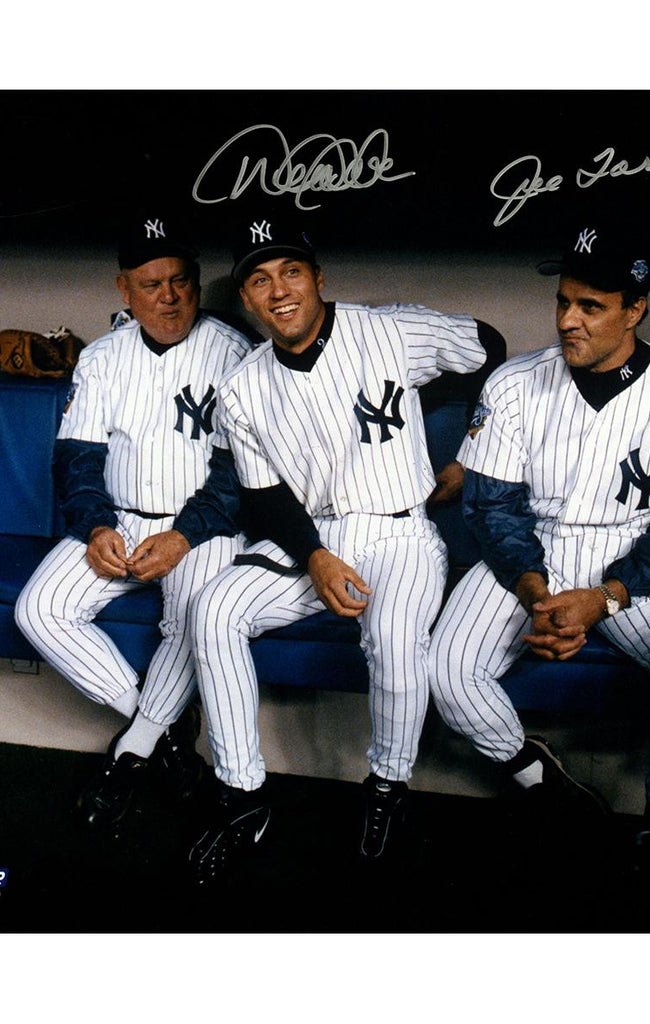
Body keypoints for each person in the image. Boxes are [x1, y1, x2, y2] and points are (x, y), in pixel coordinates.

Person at [186, 215, 505, 883]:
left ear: (319, 279)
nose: (278, 291)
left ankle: (388, 786)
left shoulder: (390, 331)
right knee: (213, 611)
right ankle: (243, 794)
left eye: (291, 271)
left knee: (394, 639)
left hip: (400, 531)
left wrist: (473, 454)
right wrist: (316, 557)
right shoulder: (242, 387)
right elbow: (265, 497)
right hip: (309, 535)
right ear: (245, 299)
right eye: (260, 279)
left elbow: (491, 347)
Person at [427, 219, 650, 850]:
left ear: (634, 310)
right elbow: (491, 508)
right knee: (449, 671)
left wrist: (605, 597)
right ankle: (537, 777)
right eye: (564, 302)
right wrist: (533, 590)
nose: (569, 319)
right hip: (527, 551)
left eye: (591, 306)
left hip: (637, 554)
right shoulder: (514, 383)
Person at [15, 211, 255, 830]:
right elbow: (76, 459)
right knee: (40, 610)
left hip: (200, 527)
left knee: (195, 620)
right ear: (124, 290)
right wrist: (96, 527)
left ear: (197, 283)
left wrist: (183, 535)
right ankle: (166, 734)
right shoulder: (102, 357)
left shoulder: (234, 353)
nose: (169, 296)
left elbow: (239, 476)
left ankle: (131, 753)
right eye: (152, 285)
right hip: (119, 518)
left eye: (180, 281)